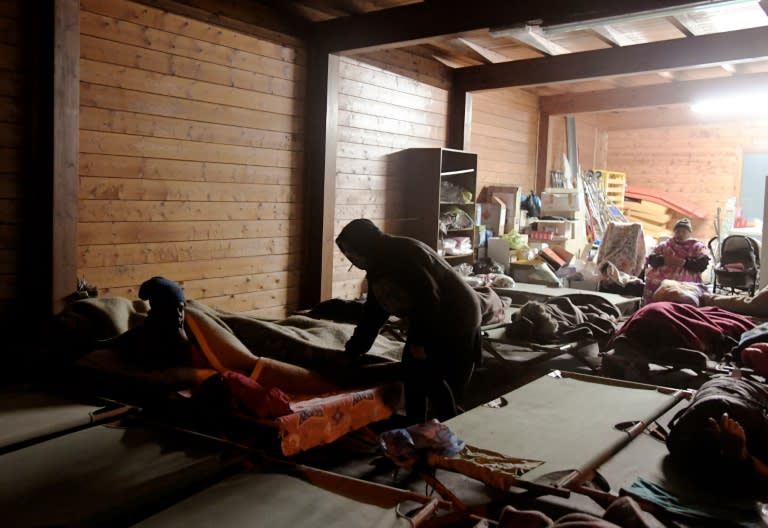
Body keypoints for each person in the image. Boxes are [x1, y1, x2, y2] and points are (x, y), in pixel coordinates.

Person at [335, 218, 482, 424]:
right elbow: (374, 314)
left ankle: (447, 430)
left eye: (351, 254)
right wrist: (354, 351)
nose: (352, 260)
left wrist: (419, 342)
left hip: (454, 317)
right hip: (437, 315)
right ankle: (416, 428)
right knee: (413, 373)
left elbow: (428, 298)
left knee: (430, 376)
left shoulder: (400, 256)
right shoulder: (380, 262)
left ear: (363, 248)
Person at [95, 276, 339, 396]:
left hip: (258, 333)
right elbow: (109, 346)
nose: (172, 315)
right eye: (159, 310)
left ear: (182, 310)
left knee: (294, 333)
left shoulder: (193, 322)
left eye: (173, 309)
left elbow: (243, 349)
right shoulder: (148, 334)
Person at [642, 217, 709, 305]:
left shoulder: (697, 246)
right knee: (652, 282)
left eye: (684, 231)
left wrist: (684, 263)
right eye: (678, 231)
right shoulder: (666, 244)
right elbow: (652, 259)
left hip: (686, 275)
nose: (680, 234)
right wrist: (664, 260)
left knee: (680, 288)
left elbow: (702, 264)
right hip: (662, 274)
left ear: (689, 233)